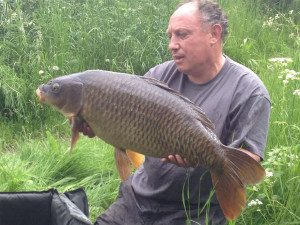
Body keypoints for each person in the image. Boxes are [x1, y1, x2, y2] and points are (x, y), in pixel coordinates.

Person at [80, 0, 271, 224]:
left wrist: (202, 155)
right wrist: (101, 125)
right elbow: (129, 131)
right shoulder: (158, 75)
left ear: (214, 34)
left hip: (195, 210)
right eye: (170, 36)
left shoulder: (249, 90)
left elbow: (248, 160)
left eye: (182, 34)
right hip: (139, 198)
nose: (172, 44)